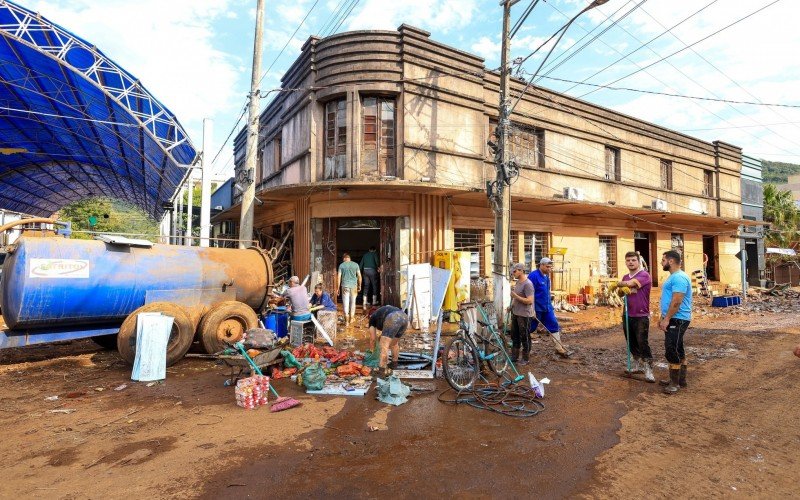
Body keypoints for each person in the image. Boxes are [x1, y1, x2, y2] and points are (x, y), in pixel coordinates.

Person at [658, 250, 693, 394]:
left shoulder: (679, 277)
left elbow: (677, 300)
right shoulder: (674, 276)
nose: (661, 262)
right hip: (675, 317)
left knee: (671, 348)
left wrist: (667, 319)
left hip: (677, 318)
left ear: (671, 261)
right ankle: (680, 380)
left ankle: (674, 383)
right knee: (678, 347)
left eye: (663, 260)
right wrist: (662, 316)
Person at [618, 251, 654, 382]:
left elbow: (630, 284)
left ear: (638, 261)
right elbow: (621, 293)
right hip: (627, 313)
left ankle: (649, 369)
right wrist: (622, 287)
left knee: (642, 342)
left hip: (641, 315)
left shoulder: (644, 275)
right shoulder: (625, 276)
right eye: (628, 260)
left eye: (633, 260)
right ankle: (637, 366)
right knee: (631, 342)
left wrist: (620, 284)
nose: (631, 262)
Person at [528, 257, 570, 357]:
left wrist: (550, 306)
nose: (549, 269)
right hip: (536, 308)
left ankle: (559, 348)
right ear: (541, 265)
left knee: (553, 324)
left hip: (547, 308)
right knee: (529, 328)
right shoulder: (533, 276)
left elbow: (546, 292)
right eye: (547, 267)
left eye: (550, 267)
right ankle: (520, 346)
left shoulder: (546, 277)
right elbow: (529, 293)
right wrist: (531, 308)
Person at [367, 305, 408, 376]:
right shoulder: (380, 313)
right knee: (394, 344)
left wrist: (372, 354)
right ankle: (394, 364)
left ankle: (381, 370)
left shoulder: (372, 319)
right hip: (404, 317)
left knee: (383, 345)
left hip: (393, 317)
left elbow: (372, 339)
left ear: (370, 316)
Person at [509, 263, 534, 365]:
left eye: (514, 271)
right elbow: (517, 297)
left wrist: (516, 297)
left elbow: (530, 301)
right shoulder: (518, 282)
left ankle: (525, 358)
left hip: (524, 315)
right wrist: (511, 306)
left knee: (525, 336)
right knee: (515, 335)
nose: (513, 273)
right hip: (516, 313)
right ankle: (514, 356)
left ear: (520, 270)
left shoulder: (528, 284)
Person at [336, 253, 362, 325]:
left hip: (345, 286)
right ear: (349, 258)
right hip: (354, 286)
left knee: (345, 303)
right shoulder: (356, 265)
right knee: (353, 302)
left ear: (344, 258)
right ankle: (351, 318)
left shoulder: (341, 265)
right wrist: (359, 285)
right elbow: (359, 276)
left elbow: (339, 278)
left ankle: (346, 321)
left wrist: (337, 288)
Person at [360, 246, 380, 312]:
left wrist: (359, 271)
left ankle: (364, 302)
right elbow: (377, 261)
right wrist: (378, 267)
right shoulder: (374, 254)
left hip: (365, 271)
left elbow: (361, 264)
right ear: (374, 250)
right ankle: (374, 302)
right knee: (374, 285)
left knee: (366, 286)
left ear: (369, 249)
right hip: (372, 271)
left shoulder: (365, 255)